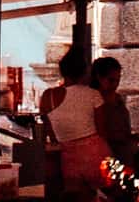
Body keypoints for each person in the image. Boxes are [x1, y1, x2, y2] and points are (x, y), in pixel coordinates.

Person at [44, 57, 109, 201]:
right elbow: (103, 131)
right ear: (85, 72)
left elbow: (52, 135)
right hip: (96, 155)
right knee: (105, 196)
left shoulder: (48, 97)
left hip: (69, 159)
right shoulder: (93, 95)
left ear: (61, 71)